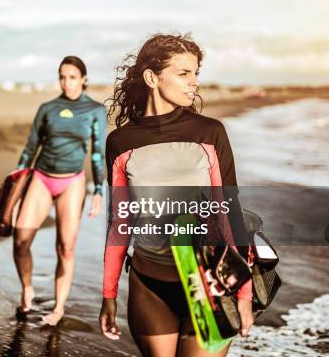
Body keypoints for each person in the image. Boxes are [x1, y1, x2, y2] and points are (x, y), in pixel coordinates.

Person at [98, 34, 253, 356]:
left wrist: (244, 294)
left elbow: (230, 213)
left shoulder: (209, 132)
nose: (194, 82)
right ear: (152, 78)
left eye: (196, 73)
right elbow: (120, 222)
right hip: (149, 286)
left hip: (210, 284)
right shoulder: (121, 142)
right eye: (184, 73)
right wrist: (109, 293)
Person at [13, 55, 106, 326]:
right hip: (42, 177)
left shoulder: (95, 110)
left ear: (84, 79)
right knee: (21, 240)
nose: (67, 82)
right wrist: (16, 183)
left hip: (73, 182)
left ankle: (58, 307)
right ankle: (27, 288)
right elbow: (31, 147)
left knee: (66, 247)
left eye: (73, 77)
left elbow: (97, 154)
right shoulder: (48, 108)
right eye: (62, 77)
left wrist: (98, 190)